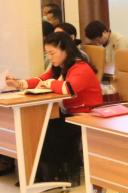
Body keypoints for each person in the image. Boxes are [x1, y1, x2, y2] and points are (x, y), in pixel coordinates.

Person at [5, 32, 102, 183]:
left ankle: (56, 175)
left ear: (65, 50)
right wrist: (19, 83)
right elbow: (41, 80)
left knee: (48, 130)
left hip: (85, 116)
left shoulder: (80, 67)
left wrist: (49, 83)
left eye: (52, 53)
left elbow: (68, 88)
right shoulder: (60, 67)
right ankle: (41, 174)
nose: (49, 57)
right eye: (47, 54)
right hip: (68, 114)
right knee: (39, 126)